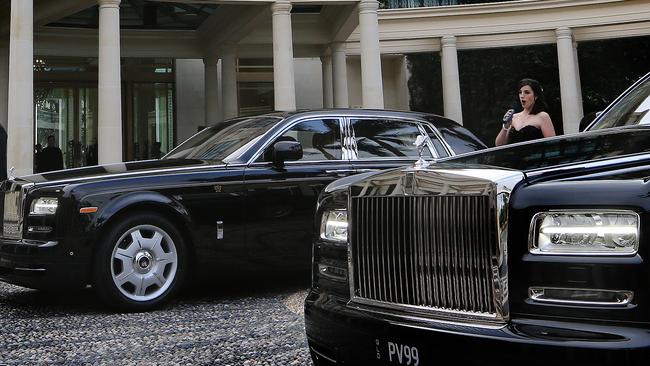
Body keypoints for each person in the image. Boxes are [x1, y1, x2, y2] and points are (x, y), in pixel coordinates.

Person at [495, 78, 556, 146]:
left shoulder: (542, 116)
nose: (522, 96)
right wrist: (505, 127)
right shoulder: (514, 117)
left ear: (535, 96)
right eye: (520, 92)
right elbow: (499, 145)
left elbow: (552, 144)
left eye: (527, 92)